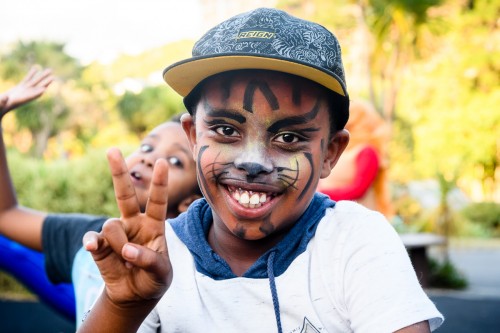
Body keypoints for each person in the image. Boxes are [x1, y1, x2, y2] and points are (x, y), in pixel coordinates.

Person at [79, 8, 443, 333]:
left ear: (330, 153)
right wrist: (122, 307)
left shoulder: (354, 241)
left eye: (288, 136)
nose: (252, 162)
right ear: (192, 136)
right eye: (225, 130)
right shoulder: (159, 256)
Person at [0, 69, 202, 325]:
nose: (148, 159)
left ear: (191, 200)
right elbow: (6, 215)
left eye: (174, 161)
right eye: (147, 147)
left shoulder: (202, 269)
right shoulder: (90, 237)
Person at [317, 99, 394, 218]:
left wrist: (319, 195)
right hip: (332, 214)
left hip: (356, 219)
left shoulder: (367, 151)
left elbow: (359, 189)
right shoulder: (339, 148)